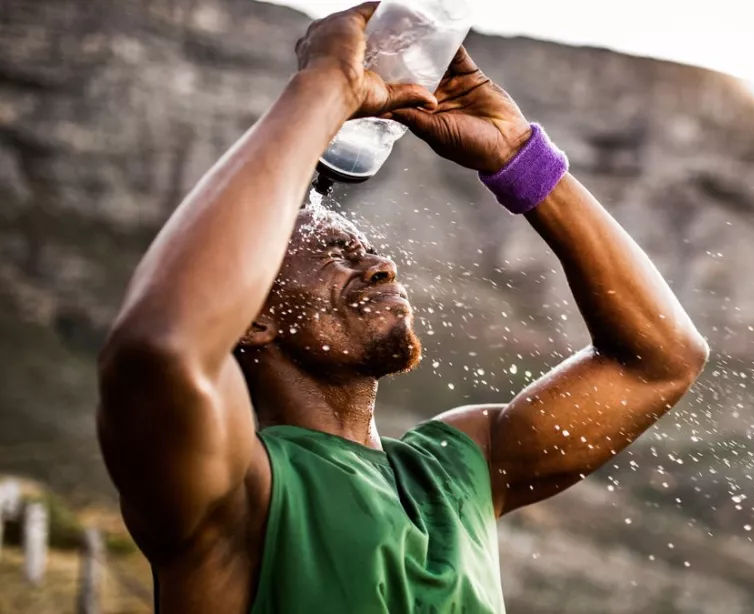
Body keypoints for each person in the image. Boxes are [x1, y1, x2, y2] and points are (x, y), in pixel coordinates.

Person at [96, 4, 708, 613]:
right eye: (336, 254)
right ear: (255, 316)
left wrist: (518, 156)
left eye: (367, 250)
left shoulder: (458, 468)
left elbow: (660, 359)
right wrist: (323, 88)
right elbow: (161, 348)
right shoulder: (233, 490)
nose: (380, 265)